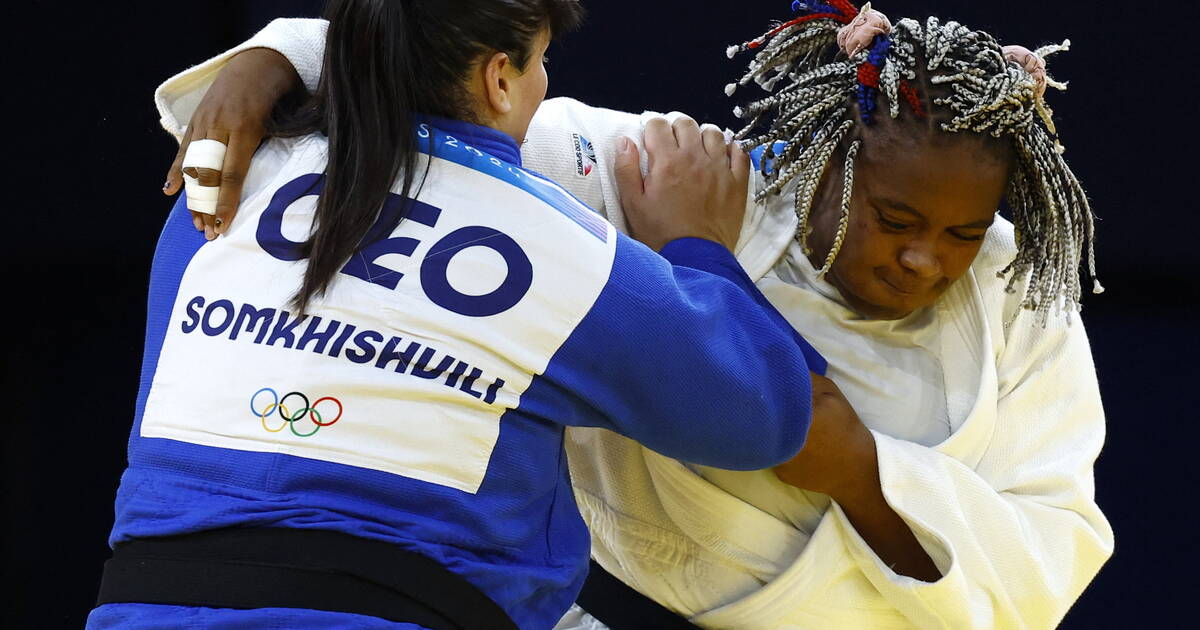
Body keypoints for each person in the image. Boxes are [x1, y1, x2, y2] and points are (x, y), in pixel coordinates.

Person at [147, 1, 1113, 627]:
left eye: (960, 231)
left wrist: (863, 475)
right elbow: (435, 74)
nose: (923, 257)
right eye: (896, 218)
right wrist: (276, 56)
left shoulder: (1022, 294)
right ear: (827, 160)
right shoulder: (682, 178)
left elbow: (1053, 558)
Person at [88, 1, 831, 628]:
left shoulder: (221, 190)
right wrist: (696, 240)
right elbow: (763, 412)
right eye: (540, 61)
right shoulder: (562, 252)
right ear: (498, 79)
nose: (546, 83)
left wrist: (273, 56)